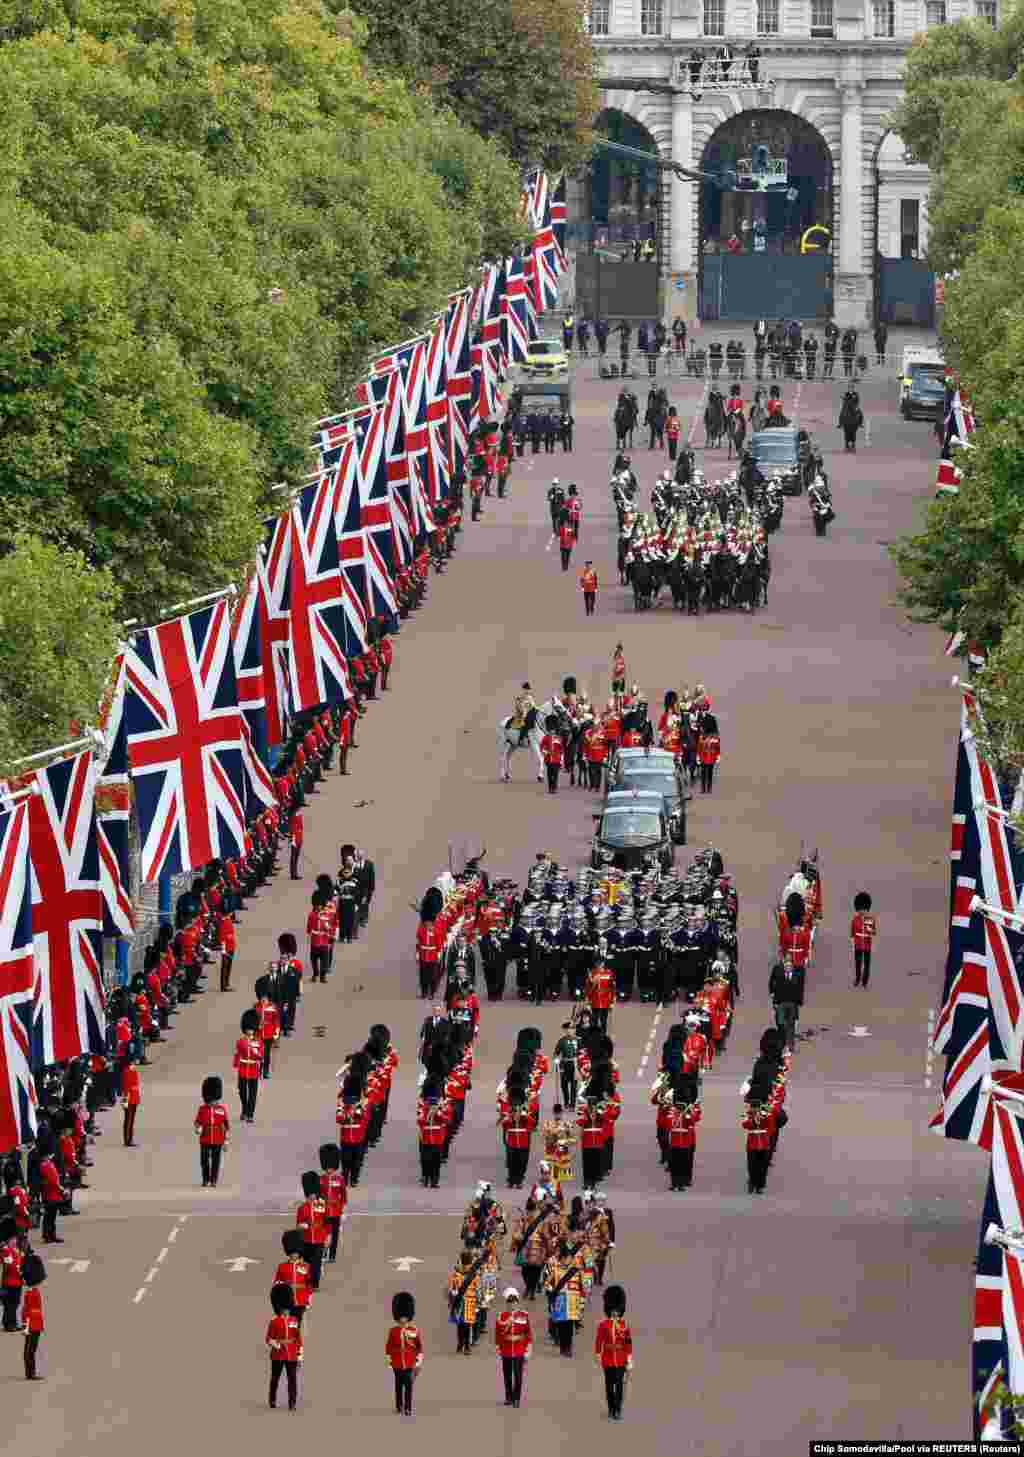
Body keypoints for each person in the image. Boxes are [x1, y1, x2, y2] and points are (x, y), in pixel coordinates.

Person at [594, 1284, 632, 1420]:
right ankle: (611, 1408)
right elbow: (599, 1340)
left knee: (620, 1386)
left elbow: (628, 1342)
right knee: (610, 1386)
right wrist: (598, 1354)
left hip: (621, 1359)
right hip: (608, 1359)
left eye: (617, 1310)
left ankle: (618, 1409)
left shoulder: (624, 1325)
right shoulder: (603, 1325)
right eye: (613, 1310)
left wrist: (629, 1358)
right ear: (609, 1310)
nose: (615, 1312)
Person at [386, 1291, 423, 1415]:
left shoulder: (414, 1331)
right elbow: (389, 1346)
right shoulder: (393, 1331)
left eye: (405, 1317)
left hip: (409, 1363)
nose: (403, 1319)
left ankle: (408, 1407)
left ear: (408, 1316)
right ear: (398, 1317)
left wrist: (418, 1361)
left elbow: (418, 1346)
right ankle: (399, 1405)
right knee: (398, 1386)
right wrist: (389, 1361)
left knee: (408, 1387)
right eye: (401, 1317)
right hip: (396, 1363)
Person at [267, 1283, 302, 1410]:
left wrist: (299, 1355)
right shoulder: (274, 1321)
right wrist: (276, 1344)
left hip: (291, 1354)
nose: (286, 1309)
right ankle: (272, 1400)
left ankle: (292, 1403)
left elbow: (298, 1339)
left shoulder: (294, 1321)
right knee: (275, 1379)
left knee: (292, 1380)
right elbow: (268, 1338)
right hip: (278, 1354)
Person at [495, 1287, 532, 1406]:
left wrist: (528, 1348)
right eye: (510, 1303)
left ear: (517, 1302)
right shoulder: (502, 1316)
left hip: (519, 1349)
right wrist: (498, 1347)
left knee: (518, 1375)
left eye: (514, 1302)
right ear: (507, 1303)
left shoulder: (523, 1315)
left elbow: (527, 1333)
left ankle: (516, 1399)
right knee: (507, 1375)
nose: (512, 1305)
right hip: (506, 1349)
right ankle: (508, 1397)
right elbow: (498, 1334)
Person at [296, 1170, 328, 1292]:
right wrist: (302, 1226)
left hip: (319, 1239)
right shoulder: (302, 1208)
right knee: (307, 1265)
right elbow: (298, 1225)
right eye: (310, 1194)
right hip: (306, 1239)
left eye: (314, 1194)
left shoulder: (322, 1206)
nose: (312, 1196)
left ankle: (315, 1284)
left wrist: (327, 1237)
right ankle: (308, 1284)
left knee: (316, 1265)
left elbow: (327, 1223)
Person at [195, 1074, 230, 1187]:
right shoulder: (202, 1109)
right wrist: (198, 1128)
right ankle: (205, 1179)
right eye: (210, 1100)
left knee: (216, 1161)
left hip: (218, 1138)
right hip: (205, 1137)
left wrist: (226, 1141)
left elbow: (226, 1126)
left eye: (213, 1100)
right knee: (204, 1161)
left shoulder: (221, 1110)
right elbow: (197, 1122)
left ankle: (214, 1180)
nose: (212, 1102)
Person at [275, 1231, 313, 1327]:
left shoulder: (306, 1266)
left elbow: (308, 1284)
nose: (294, 1255)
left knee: (296, 1323)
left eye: (296, 1252)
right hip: (288, 1299)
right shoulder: (282, 1266)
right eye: (292, 1252)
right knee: (287, 1322)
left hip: (301, 1299)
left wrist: (308, 1300)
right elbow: (277, 1283)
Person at [768, 953, 804, 1052]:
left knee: (791, 1025)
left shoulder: (797, 976)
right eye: (786, 965)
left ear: (792, 966)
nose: (788, 967)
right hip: (781, 1003)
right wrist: (774, 1002)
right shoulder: (780, 975)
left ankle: (791, 1046)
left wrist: (799, 1002)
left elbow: (800, 990)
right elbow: (775, 989)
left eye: (789, 966)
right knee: (781, 1024)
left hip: (792, 1004)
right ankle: (781, 1044)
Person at [448, 1249, 482, 1353]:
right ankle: (466, 1345)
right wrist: (479, 1302)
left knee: (460, 1325)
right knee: (467, 1325)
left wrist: (451, 1302)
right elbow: (478, 1290)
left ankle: (460, 1343)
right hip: (470, 1302)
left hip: (459, 1302)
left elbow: (452, 1290)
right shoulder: (474, 1275)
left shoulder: (456, 1274)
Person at [319, 1143, 347, 1262]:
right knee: (324, 1234)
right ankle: (323, 1253)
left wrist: (342, 1209)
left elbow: (344, 1196)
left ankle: (332, 1256)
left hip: (335, 1211)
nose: (329, 1169)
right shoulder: (320, 1179)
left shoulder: (340, 1179)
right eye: (327, 1167)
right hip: (324, 1211)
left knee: (335, 1235)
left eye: (331, 1167)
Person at [234, 1009, 262, 1122]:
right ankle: (244, 1109)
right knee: (242, 1091)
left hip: (253, 1069)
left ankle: (250, 1114)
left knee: (252, 1093)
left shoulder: (258, 1042)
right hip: (243, 1068)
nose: (249, 1031)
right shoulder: (240, 1041)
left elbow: (260, 1055)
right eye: (248, 1029)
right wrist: (236, 1065)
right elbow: (238, 1054)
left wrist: (254, 1051)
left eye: (251, 1029)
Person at [21, 1252, 45, 1381]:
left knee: (30, 1350)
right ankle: (30, 1373)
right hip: (33, 1324)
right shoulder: (31, 1293)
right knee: (30, 1350)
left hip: (35, 1323)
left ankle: (30, 1372)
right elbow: (28, 1311)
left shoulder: (33, 1291)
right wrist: (26, 1326)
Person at [1, 1217, 23, 1331]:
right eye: (12, 1239)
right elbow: (10, 1265)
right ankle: (9, 1324)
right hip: (10, 1282)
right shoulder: (5, 1250)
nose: (15, 1241)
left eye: (15, 1239)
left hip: (17, 1281)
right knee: (10, 1304)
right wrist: (20, 1269)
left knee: (15, 1303)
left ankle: (11, 1322)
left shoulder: (15, 1249)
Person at [851, 891, 877, 988]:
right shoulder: (855, 919)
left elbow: (873, 932)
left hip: (867, 945)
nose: (862, 911)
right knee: (858, 964)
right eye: (860, 909)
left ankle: (864, 981)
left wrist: (869, 928)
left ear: (867, 908)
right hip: (858, 945)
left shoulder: (870, 919)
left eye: (864, 909)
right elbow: (853, 933)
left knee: (866, 965)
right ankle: (857, 978)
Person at [697, 716, 721, 794]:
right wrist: (698, 756)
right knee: (703, 773)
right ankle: (703, 788)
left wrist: (718, 756)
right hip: (703, 756)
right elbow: (699, 747)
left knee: (710, 772)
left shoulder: (714, 737)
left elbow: (717, 747)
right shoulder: (702, 737)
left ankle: (709, 788)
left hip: (711, 756)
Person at [121, 1054, 141, 1146]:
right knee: (129, 1120)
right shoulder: (128, 1071)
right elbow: (126, 1087)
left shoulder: (131, 1070)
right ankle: (128, 1139)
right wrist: (125, 1100)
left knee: (130, 1120)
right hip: (130, 1098)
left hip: (133, 1097)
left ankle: (129, 1138)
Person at [540, 721, 564, 795]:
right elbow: (542, 746)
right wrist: (546, 752)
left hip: (556, 759)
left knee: (555, 775)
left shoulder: (558, 738)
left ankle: (554, 788)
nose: (552, 732)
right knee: (550, 775)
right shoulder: (545, 738)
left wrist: (561, 760)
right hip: (548, 759)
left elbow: (561, 749)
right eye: (550, 730)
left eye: (553, 730)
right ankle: (550, 788)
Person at [289, 808, 303, 880]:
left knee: (296, 856)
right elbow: (292, 828)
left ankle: (295, 872)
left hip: (299, 837)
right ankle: (293, 874)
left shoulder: (299, 815)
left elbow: (301, 827)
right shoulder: (294, 816)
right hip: (295, 837)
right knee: (293, 857)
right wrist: (293, 839)